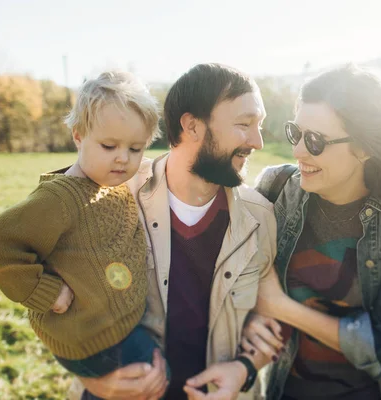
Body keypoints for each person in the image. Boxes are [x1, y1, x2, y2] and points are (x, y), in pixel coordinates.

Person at [70, 63, 276, 400]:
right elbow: (55, 304)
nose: (257, 141)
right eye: (244, 124)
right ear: (192, 125)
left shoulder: (260, 217)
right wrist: (93, 380)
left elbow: (269, 317)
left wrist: (244, 368)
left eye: (259, 125)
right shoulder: (113, 198)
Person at [242, 64, 381, 400]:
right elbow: (227, 277)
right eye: (296, 133)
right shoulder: (275, 191)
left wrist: (282, 307)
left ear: (365, 147)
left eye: (315, 140)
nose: (299, 150)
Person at [0, 72, 171, 382]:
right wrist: (46, 292)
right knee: (159, 380)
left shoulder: (110, 178)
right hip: (93, 342)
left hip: (119, 327)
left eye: (135, 149)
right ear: (78, 136)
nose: (123, 158)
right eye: (109, 146)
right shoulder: (60, 199)